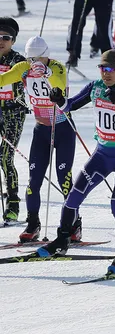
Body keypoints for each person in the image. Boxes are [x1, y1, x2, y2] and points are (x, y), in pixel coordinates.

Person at [36, 50, 115, 276]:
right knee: (73, 197)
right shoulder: (96, 87)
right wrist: (59, 100)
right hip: (102, 154)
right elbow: (71, 105)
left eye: (111, 69)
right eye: (102, 68)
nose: (106, 74)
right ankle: (62, 240)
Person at [0, 35, 77, 237]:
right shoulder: (23, 67)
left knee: (64, 178)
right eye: (30, 59)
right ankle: (33, 223)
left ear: (46, 56)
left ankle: (73, 224)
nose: (34, 64)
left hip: (63, 129)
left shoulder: (57, 67)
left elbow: (59, 84)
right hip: (41, 130)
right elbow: (3, 80)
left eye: (38, 59)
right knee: (34, 180)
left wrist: (47, 72)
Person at [0, 18, 26, 222]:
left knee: (5, 158)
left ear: (13, 40)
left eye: (6, 38)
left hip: (13, 114)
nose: (1, 41)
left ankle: (13, 203)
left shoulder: (18, 61)